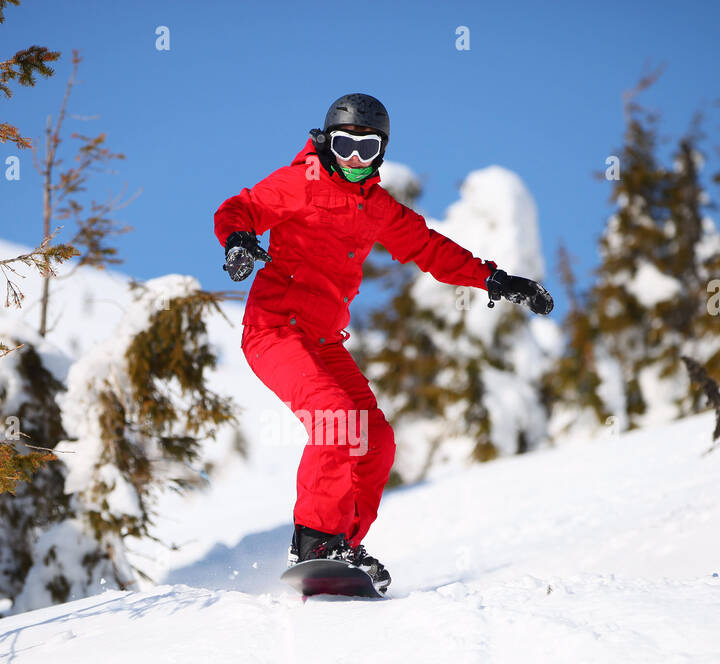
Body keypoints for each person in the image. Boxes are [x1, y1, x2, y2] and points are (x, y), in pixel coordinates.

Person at [214, 93, 553, 593]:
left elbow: (431, 249)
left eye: (366, 148)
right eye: (345, 146)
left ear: (381, 153)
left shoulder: (377, 209)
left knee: (375, 442)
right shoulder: (300, 183)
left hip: (324, 339)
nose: (354, 160)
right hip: (275, 329)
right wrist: (239, 240)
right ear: (327, 143)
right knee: (335, 417)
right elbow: (241, 207)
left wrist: (496, 280)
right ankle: (314, 540)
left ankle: (342, 544)